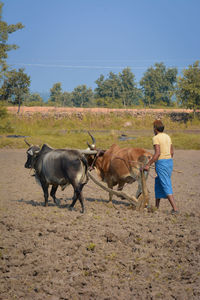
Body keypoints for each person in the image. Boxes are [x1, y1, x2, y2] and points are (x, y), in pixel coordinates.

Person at [143, 119, 178, 214]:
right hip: (169, 162)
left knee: (166, 183)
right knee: (158, 182)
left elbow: (157, 153)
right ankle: (156, 207)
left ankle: (175, 209)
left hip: (161, 163)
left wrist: (148, 164)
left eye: (153, 128)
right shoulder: (167, 137)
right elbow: (172, 152)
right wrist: (167, 161)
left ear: (155, 129)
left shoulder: (156, 138)